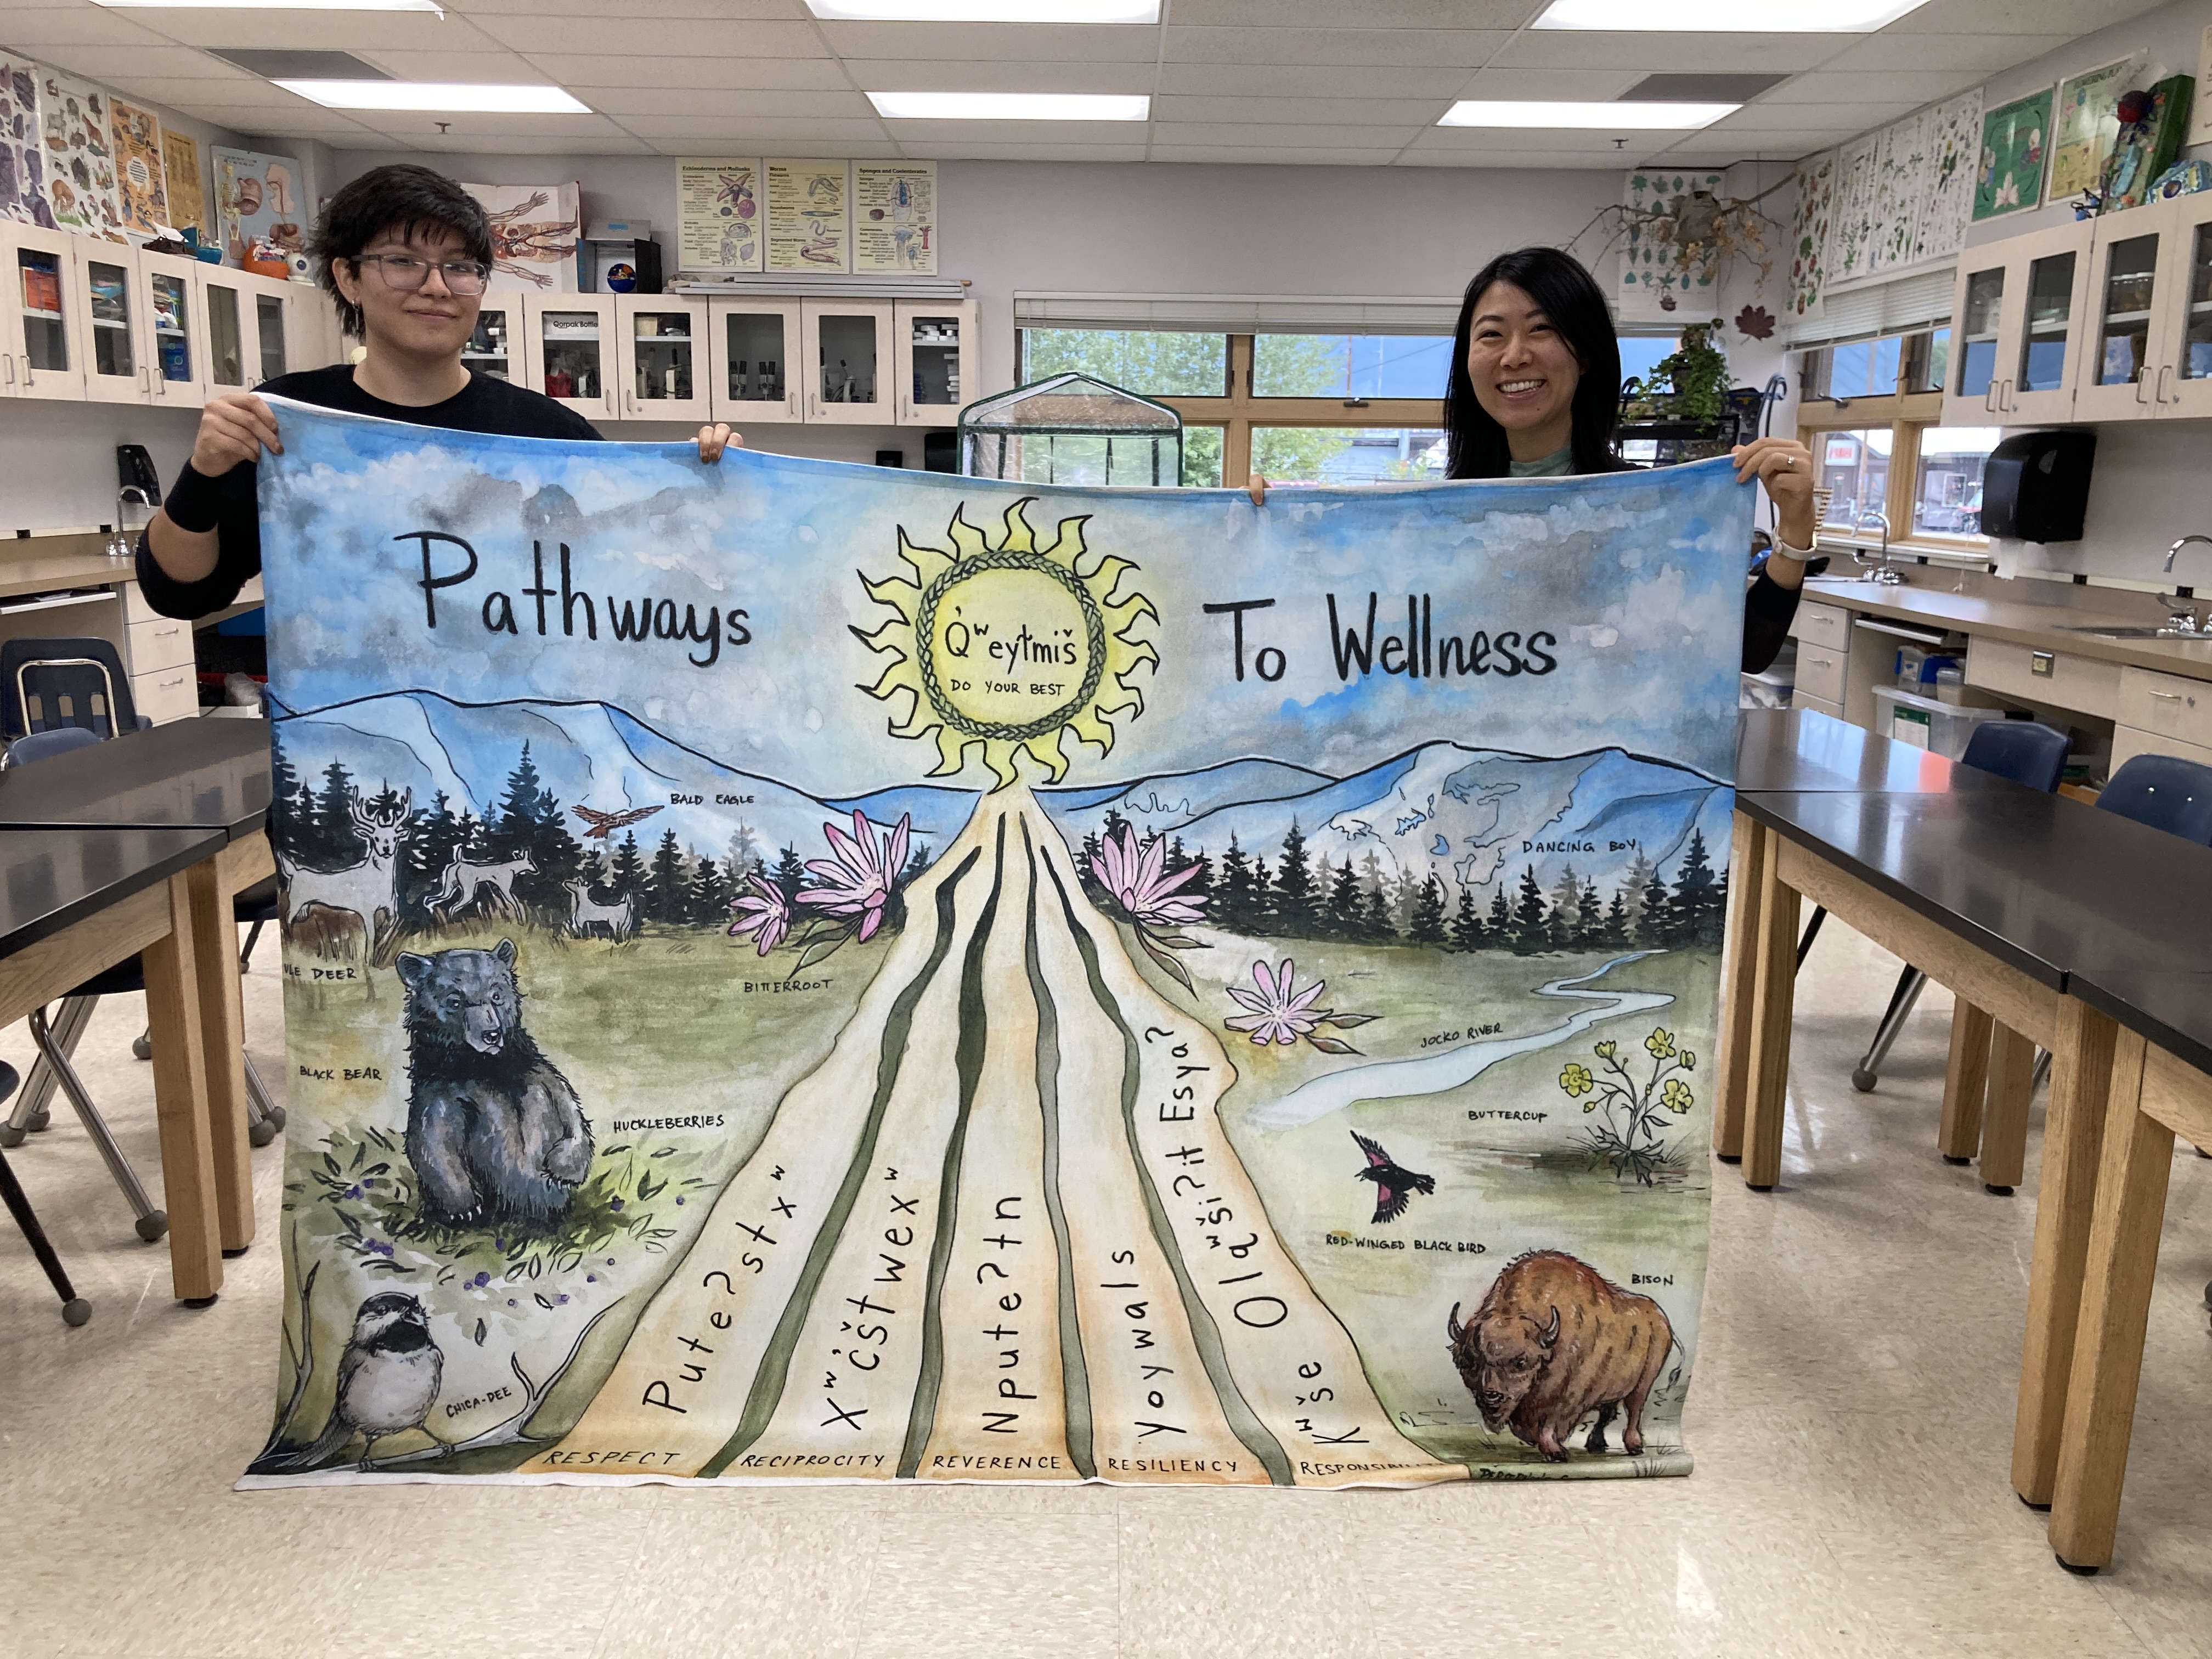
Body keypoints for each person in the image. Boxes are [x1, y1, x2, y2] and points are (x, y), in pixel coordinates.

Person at [138, 164, 735, 620]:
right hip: (345, 757)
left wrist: (711, 476)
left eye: (460, 266)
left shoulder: (547, 433)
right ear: (347, 277)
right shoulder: (292, 423)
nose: (436, 287)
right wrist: (203, 474)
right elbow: (182, 594)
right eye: (403, 261)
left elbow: (623, 574)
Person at [1248, 246, 1816, 675]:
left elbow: (1744, 652)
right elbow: (1351, 637)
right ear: (1468, 361)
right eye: (1491, 335)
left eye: (1542, 330)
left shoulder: (1650, 511)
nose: (1515, 355)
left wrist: (1794, 530)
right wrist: (1270, 535)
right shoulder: (1434, 520)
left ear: (1586, 352)